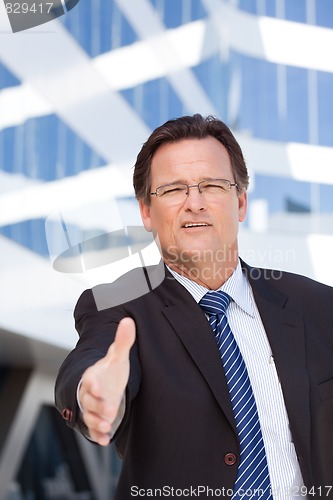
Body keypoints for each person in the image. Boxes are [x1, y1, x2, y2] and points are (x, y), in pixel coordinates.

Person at [55, 114, 333, 499]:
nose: (195, 203)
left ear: (240, 202)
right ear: (146, 212)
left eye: (212, 186)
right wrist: (94, 393)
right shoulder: (118, 305)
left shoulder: (319, 307)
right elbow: (92, 360)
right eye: (173, 190)